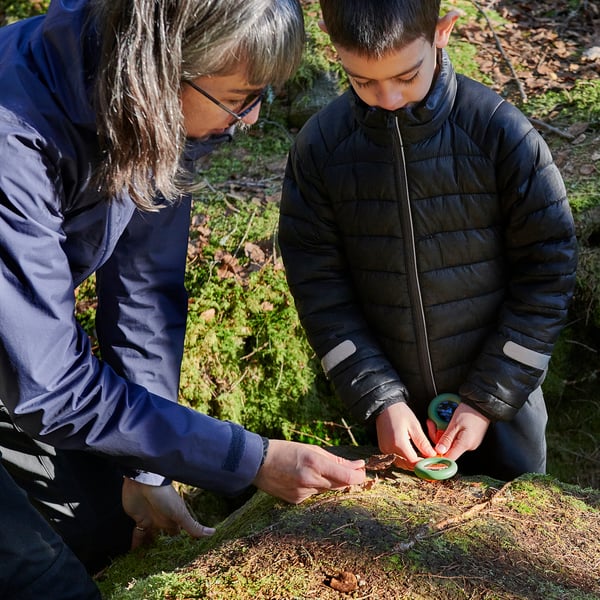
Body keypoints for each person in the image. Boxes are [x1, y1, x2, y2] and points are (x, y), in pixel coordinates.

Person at [0, 1, 367, 597]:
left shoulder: (147, 108)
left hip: (13, 349)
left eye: (261, 97)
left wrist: (148, 466)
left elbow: (145, 291)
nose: (248, 120)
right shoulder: (13, 136)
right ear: (164, 64)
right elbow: (48, 383)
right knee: (47, 582)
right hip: (26, 368)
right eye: (239, 96)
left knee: (105, 529)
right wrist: (247, 459)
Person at [278, 0, 578, 483]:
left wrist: (486, 399)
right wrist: (379, 399)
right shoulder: (319, 150)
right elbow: (320, 292)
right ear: (332, 48)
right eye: (363, 82)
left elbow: (549, 274)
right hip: (395, 419)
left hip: (506, 407)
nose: (389, 98)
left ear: (442, 32)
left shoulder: (501, 133)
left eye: (406, 76)